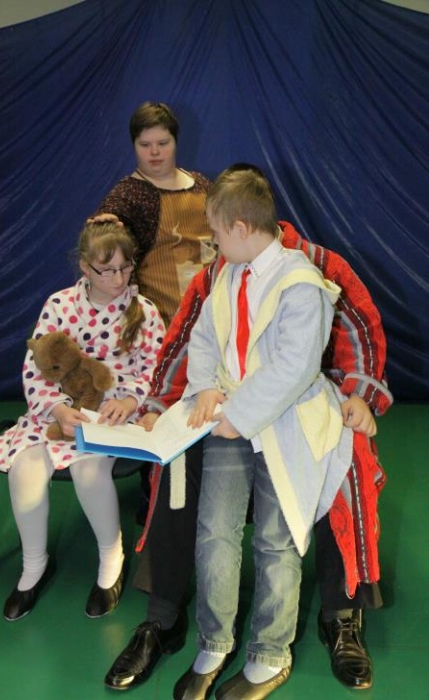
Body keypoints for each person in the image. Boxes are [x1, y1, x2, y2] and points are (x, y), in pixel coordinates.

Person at [104, 165, 392, 692]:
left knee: (278, 541)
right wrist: (204, 388)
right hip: (229, 419)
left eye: (215, 232)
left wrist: (241, 416)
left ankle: (277, 649)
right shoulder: (225, 273)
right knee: (212, 530)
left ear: (240, 227)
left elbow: (296, 366)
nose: (211, 242)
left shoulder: (307, 278)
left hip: (288, 424)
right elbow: (199, 337)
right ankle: (210, 641)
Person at [0, 221, 165, 622]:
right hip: (56, 413)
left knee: (89, 472)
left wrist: (129, 400)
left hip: (114, 414)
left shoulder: (144, 311)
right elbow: (35, 367)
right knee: (25, 470)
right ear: (86, 267)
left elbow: (155, 369)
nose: (119, 279)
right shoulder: (59, 305)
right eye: (108, 271)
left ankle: (111, 557)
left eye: (126, 268)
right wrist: (55, 408)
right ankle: (34, 565)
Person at [91, 100, 214, 522]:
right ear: (134, 146)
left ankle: (208, 489)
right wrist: (105, 228)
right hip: (159, 322)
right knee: (160, 409)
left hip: (210, 315)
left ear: (176, 141)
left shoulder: (202, 185)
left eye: (163, 142)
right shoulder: (128, 195)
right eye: (146, 145)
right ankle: (157, 500)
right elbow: (105, 246)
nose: (155, 152)